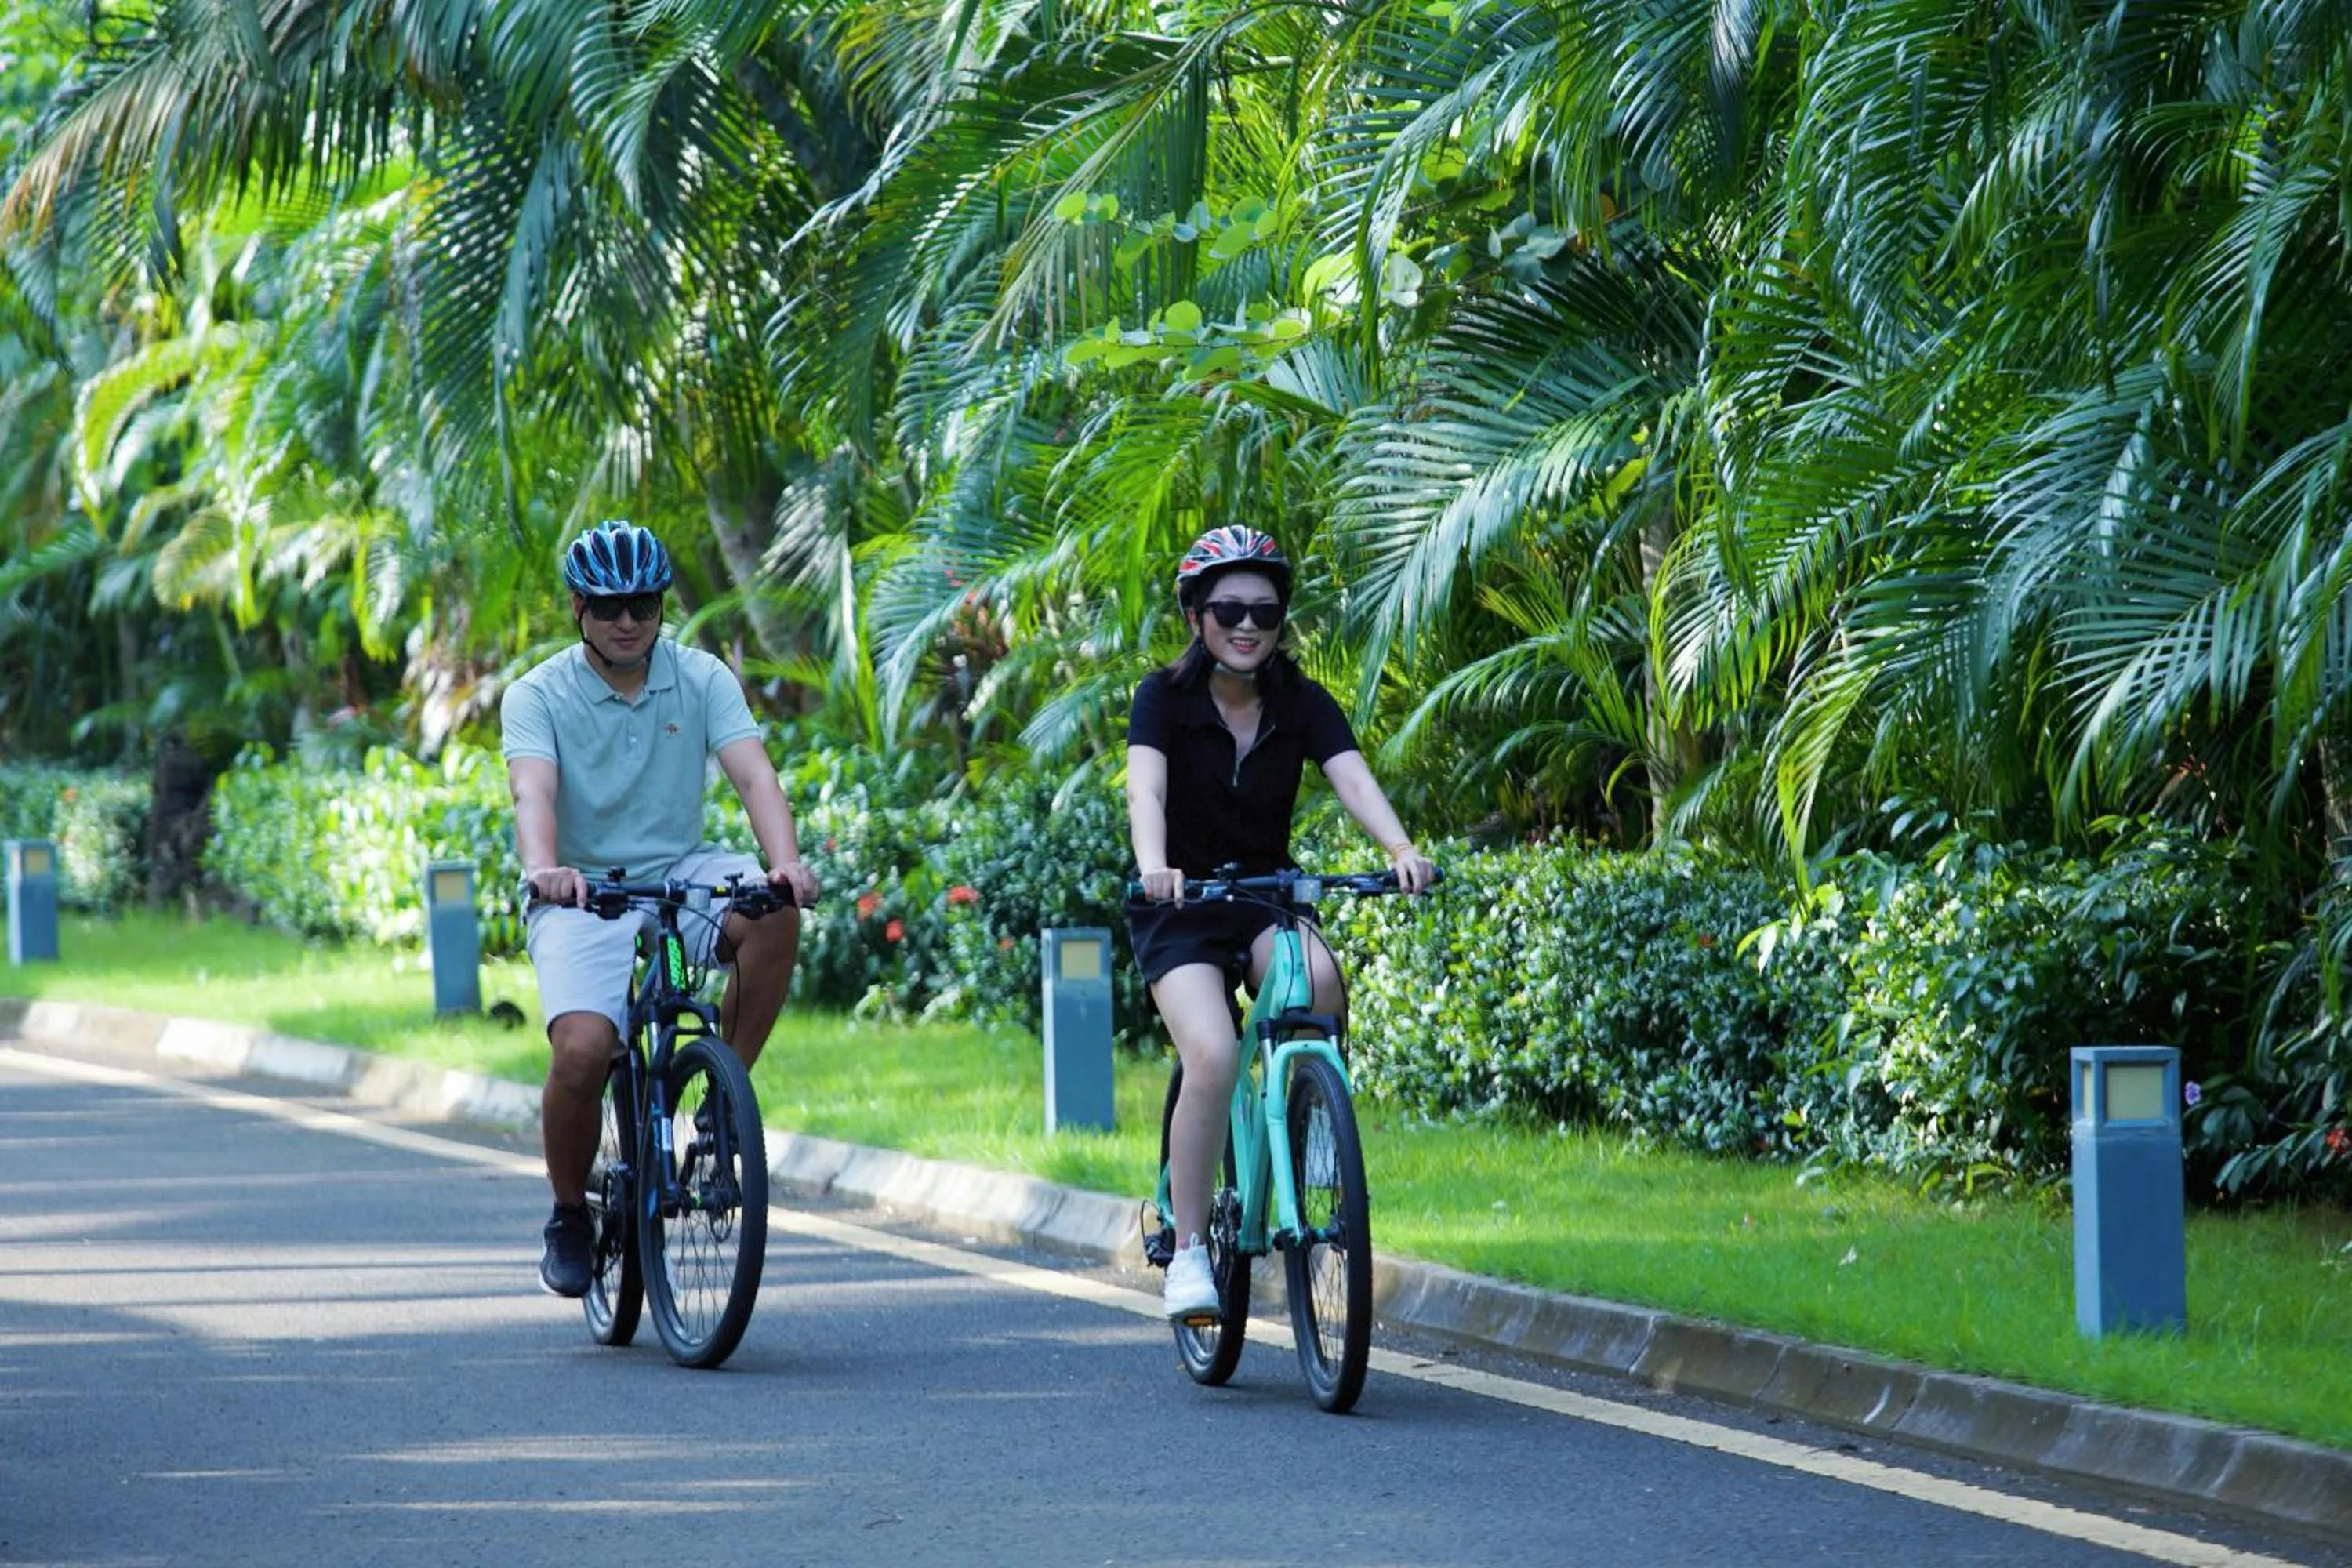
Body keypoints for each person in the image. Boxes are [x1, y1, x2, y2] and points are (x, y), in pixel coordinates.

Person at [500, 520, 822, 1298]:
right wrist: (546, 869)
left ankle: (720, 1100)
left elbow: (754, 776)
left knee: (774, 911)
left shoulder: (701, 676)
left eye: (642, 604)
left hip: (680, 871)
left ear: (661, 606)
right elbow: (532, 791)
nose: (626, 621)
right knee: (582, 1047)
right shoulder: (537, 693)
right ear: (577, 606)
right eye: (608, 605)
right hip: (580, 886)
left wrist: (784, 863)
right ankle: (570, 1212)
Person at [1124, 524, 1437, 1322]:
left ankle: (1313, 1132)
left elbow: (1353, 777)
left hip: (1264, 897)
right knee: (1214, 1050)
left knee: (1321, 980)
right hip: (1183, 908)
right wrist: (1155, 863)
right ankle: (1189, 1247)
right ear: (1196, 614)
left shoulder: (1299, 699)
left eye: (1265, 609)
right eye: (1228, 606)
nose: (1247, 623)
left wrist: (1399, 846)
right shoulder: (1163, 697)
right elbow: (1144, 791)